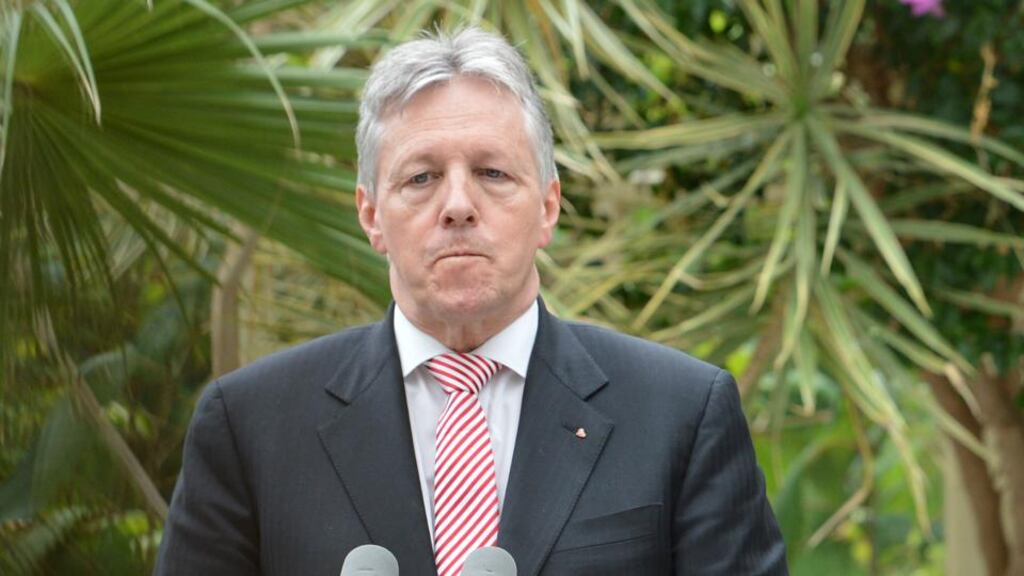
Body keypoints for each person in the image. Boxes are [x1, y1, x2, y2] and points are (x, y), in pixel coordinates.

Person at [154, 27, 787, 576]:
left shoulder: (680, 414)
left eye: (492, 173)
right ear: (371, 215)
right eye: (421, 178)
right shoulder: (252, 427)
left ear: (547, 207)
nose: (457, 205)